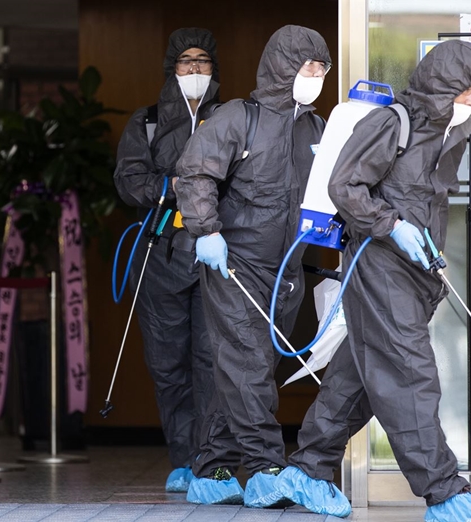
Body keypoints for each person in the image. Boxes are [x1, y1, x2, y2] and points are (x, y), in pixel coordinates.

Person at [274, 40, 471, 522]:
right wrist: (390, 224)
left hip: (417, 273)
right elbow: (344, 186)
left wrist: (430, 258)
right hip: (377, 265)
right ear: (444, 88)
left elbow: (430, 200)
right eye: (468, 92)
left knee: (360, 373)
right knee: (410, 373)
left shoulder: (451, 131)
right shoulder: (392, 122)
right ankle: (442, 490)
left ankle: (308, 469)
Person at [174, 25, 331, 507]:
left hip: (285, 271)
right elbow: (195, 171)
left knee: (250, 364)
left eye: (322, 69)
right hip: (234, 263)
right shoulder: (237, 118)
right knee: (247, 364)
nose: (316, 76)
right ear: (285, 67)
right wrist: (207, 231)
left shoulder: (315, 127)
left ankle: (213, 467)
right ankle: (267, 467)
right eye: (309, 67)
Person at [113, 27, 220, 493]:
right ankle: (183, 458)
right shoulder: (148, 121)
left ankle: (209, 459)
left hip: (215, 254)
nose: (195, 68)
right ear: (171, 68)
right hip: (160, 257)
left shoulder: (231, 118)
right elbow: (129, 180)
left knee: (212, 360)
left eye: (203, 60)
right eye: (186, 61)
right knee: (168, 361)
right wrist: (174, 186)